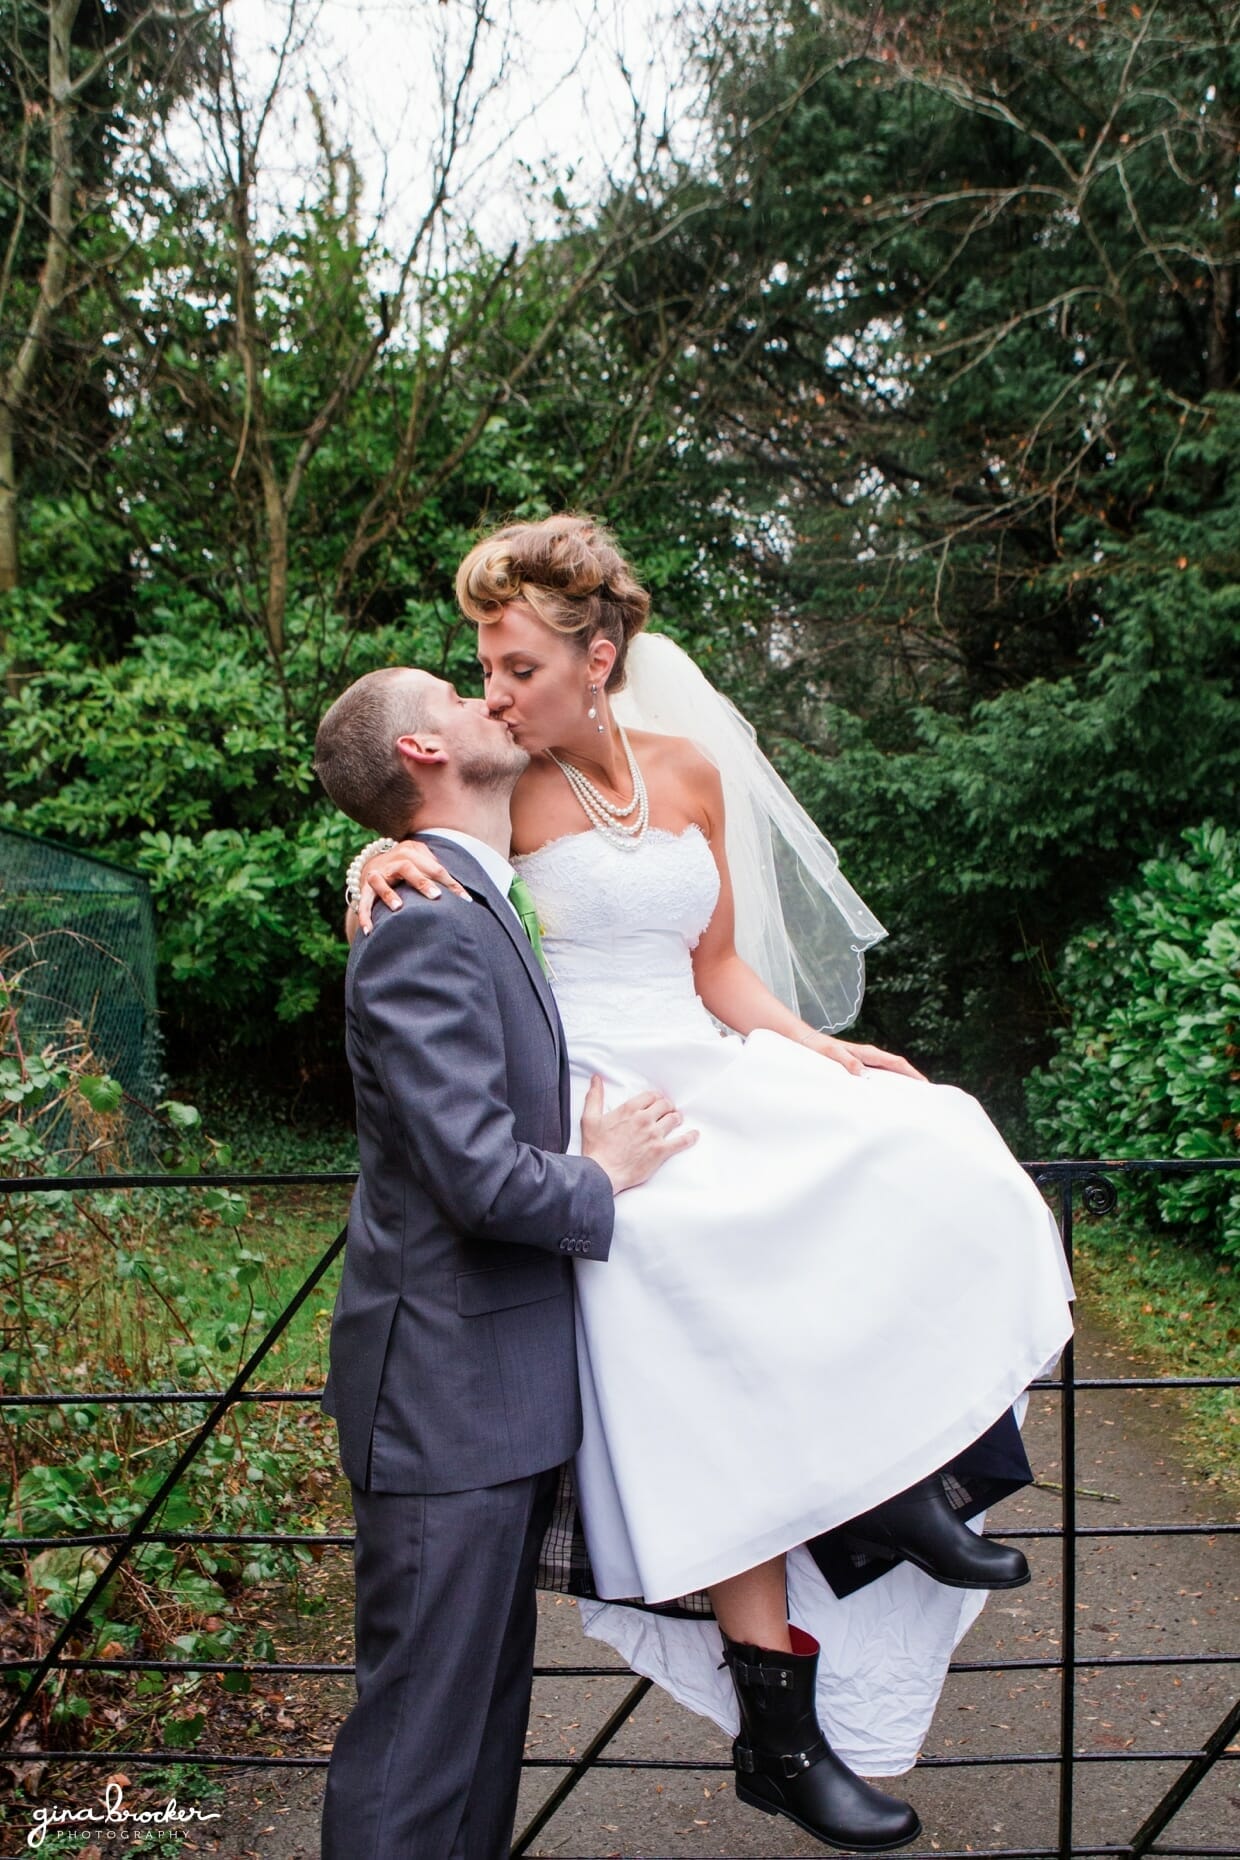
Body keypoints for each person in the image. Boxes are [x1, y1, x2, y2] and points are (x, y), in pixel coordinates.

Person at [346, 514, 1077, 1853]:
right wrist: (370, 854)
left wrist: (814, 1048)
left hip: (701, 1051)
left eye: (512, 666)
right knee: (697, 1273)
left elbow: (720, 966)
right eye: (484, 671)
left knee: (923, 1135)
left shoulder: (684, 771)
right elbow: (428, 850)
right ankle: (781, 1719)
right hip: (596, 1092)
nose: (495, 693)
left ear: (600, 656)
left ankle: (911, 1472)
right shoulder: (505, 788)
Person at [311, 666, 698, 1860]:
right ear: (423, 751)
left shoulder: (471, 900)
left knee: (480, 1739)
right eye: (464, 696)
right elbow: (476, 1179)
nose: (495, 702)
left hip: (497, 1404)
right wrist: (605, 1173)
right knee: (419, 1752)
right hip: (442, 1406)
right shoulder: (421, 926)